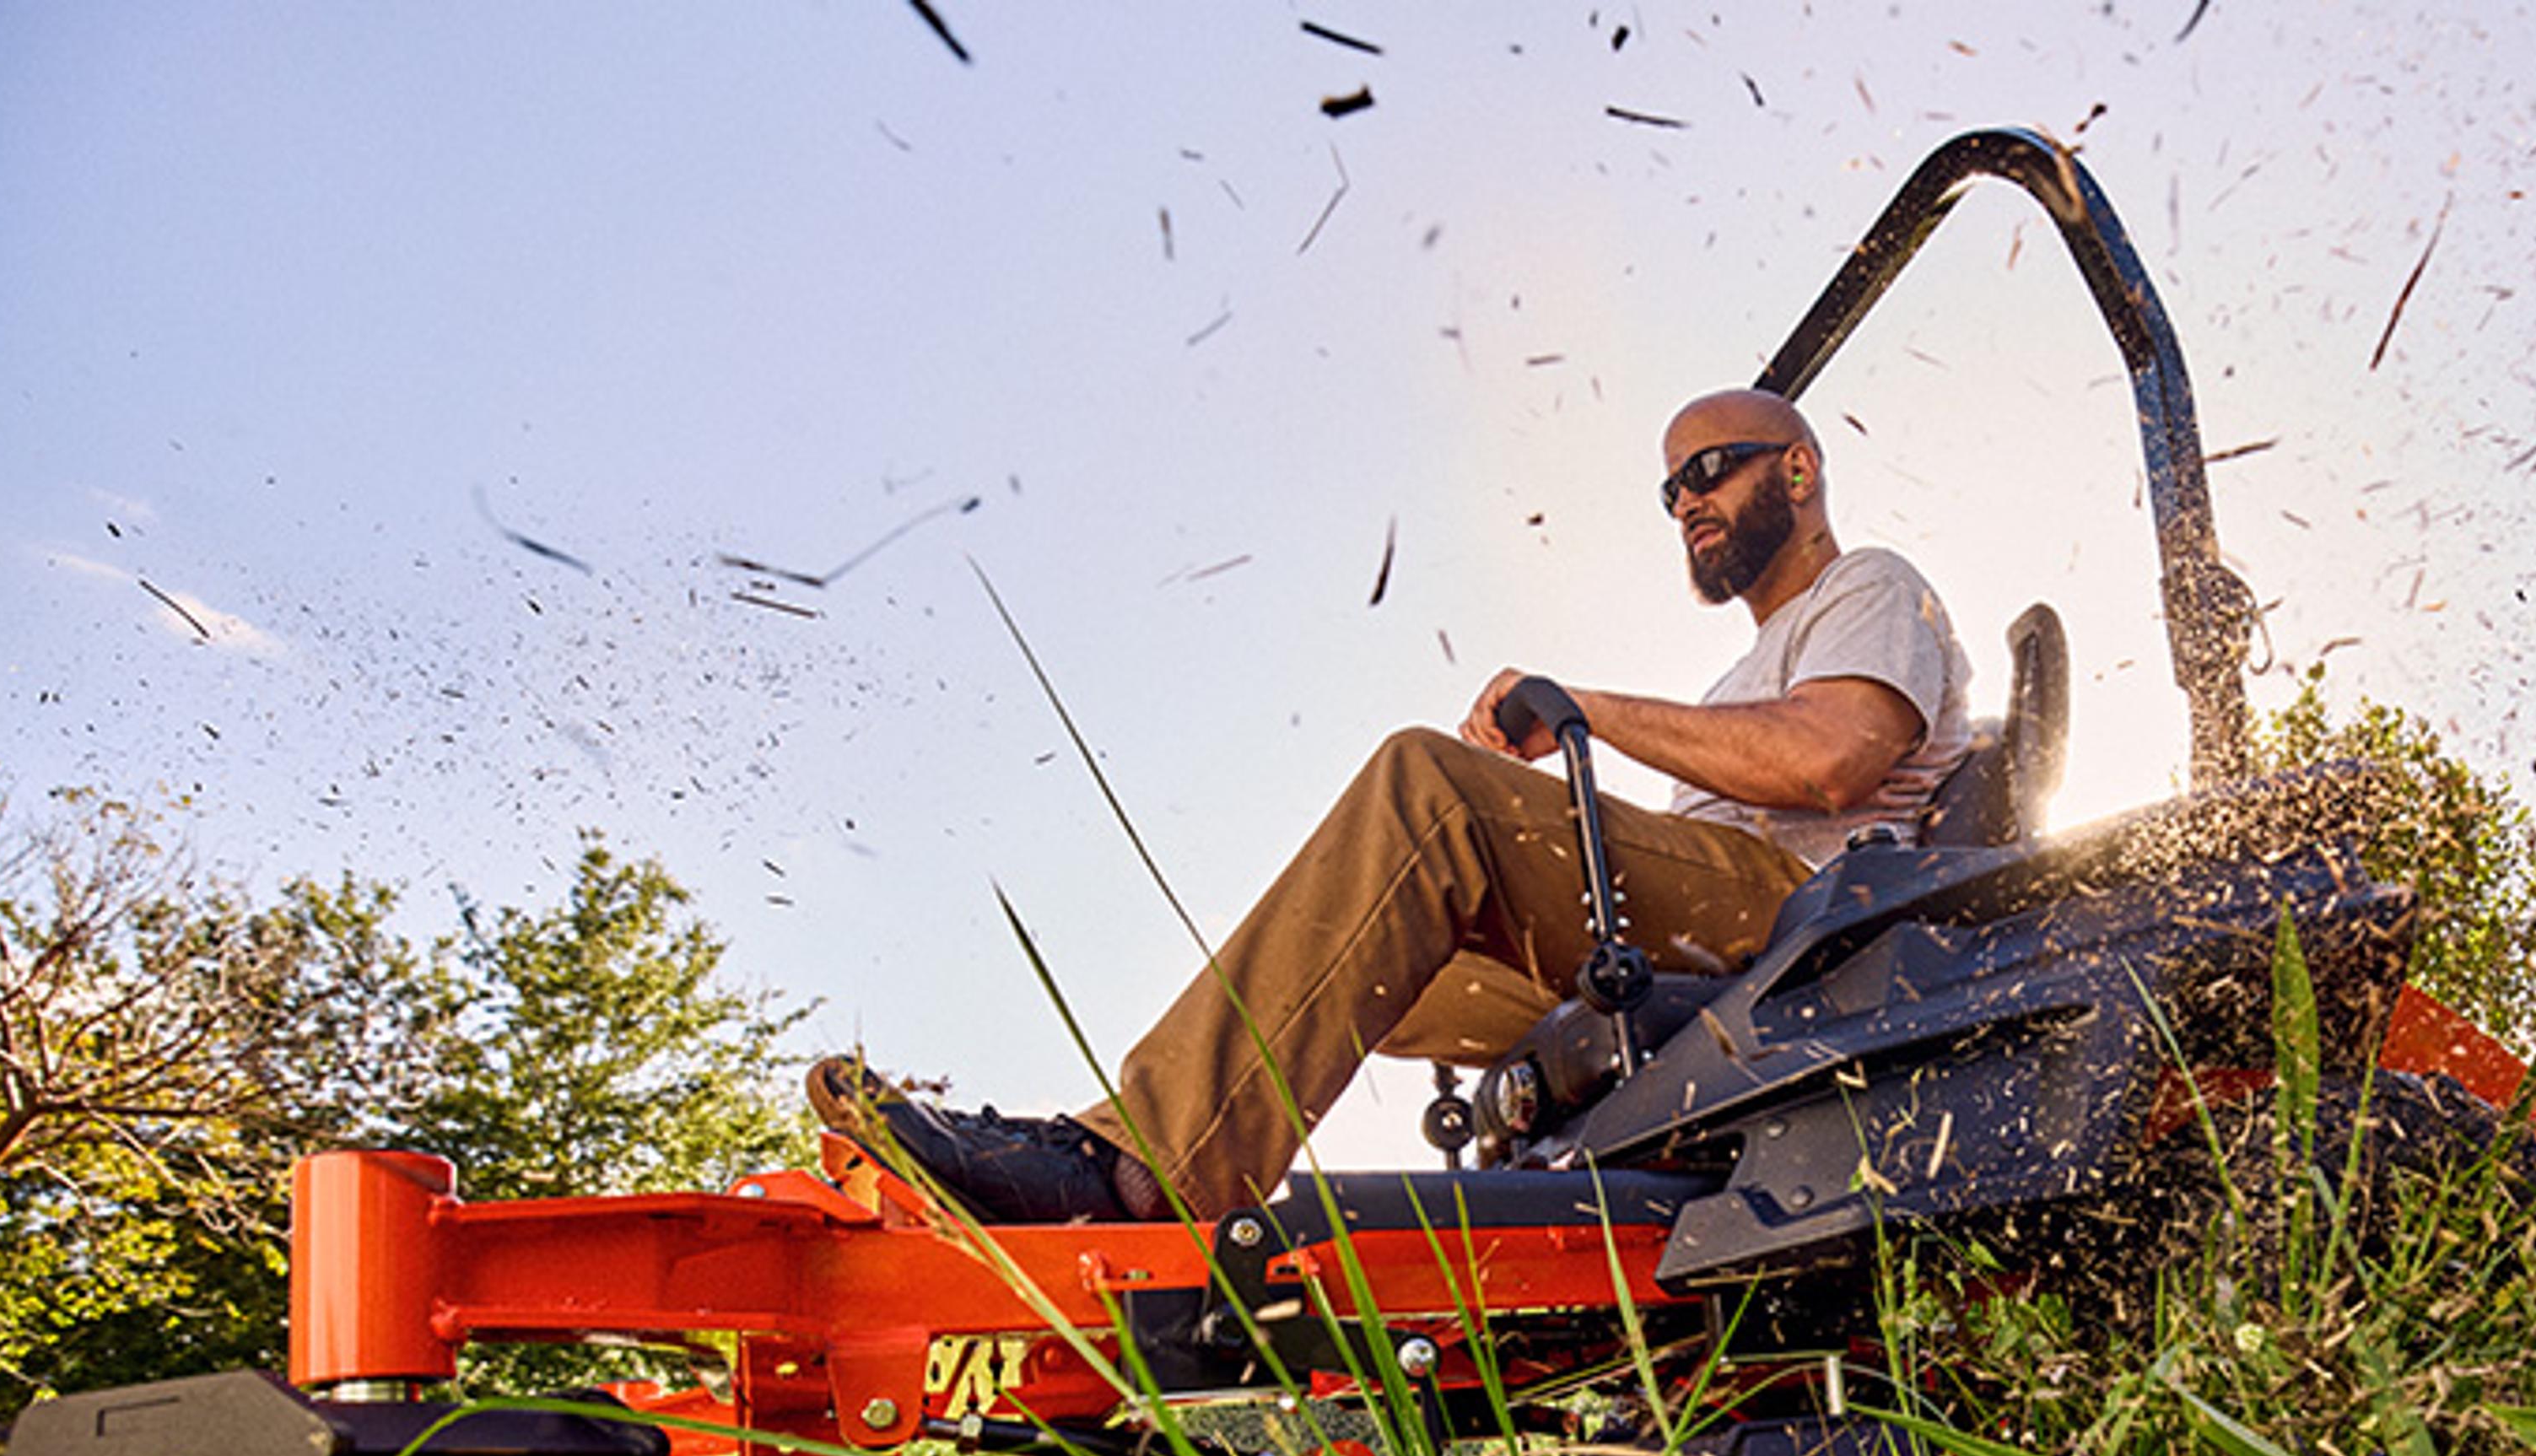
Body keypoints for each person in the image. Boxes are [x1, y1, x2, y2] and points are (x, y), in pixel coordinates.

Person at [811, 386, 1977, 1222]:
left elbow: (1831, 760)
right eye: (1671, 487)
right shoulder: (1745, 665)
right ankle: (1143, 1148)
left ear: (1798, 471)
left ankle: (1140, 1173)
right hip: (1724, 934)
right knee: (1365, 938)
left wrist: (1584, 711)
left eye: (1711, 469)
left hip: (1815, 922)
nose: (1686, 501)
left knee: (1426, 787)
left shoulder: (1870, 585)